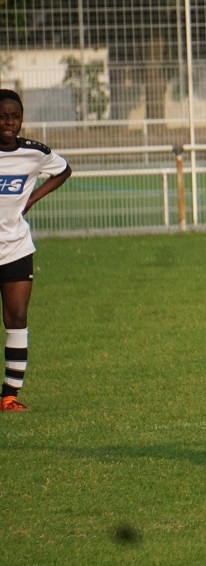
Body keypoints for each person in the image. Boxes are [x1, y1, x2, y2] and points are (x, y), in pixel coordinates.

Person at [0, 89, 72, 412]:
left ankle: (9, 396)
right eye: (3, 116)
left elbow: (63, 170)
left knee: (17, 318)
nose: (9, 122)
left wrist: (32, 198)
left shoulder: (34, 153)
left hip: (15, 247)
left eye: (15, 116)